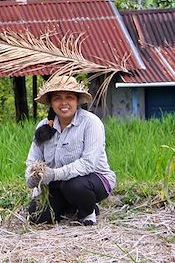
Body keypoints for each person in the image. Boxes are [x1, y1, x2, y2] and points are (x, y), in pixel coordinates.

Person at [25, 75, 116, 226]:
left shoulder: (91, 123)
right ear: (51, 103)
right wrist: (33, 177)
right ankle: (72, 205)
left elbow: (89, 164)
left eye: (69, 97)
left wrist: (54, 174)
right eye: (57, 98)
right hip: (57, 184)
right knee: (38, 216)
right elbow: (32, 160)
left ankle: (88, 211)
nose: (64, 103)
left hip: (91, 180)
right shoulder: (43, 126)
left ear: (77, 101)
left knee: (74, 186)